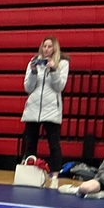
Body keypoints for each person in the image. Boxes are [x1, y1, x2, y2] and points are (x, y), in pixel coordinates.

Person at [21, 36, 70, 189]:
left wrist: (54, 69)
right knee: (30, 143)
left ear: (55, 48)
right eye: (44, 46)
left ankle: (55, 176)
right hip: (33, 108)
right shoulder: (33, 61)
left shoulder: (63, 63)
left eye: (50, 46)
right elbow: (28, 87)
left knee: (54, 144)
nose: (46, 49)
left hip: (51, 109)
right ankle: (29, 173)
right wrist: (34, 72)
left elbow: (60, 87)